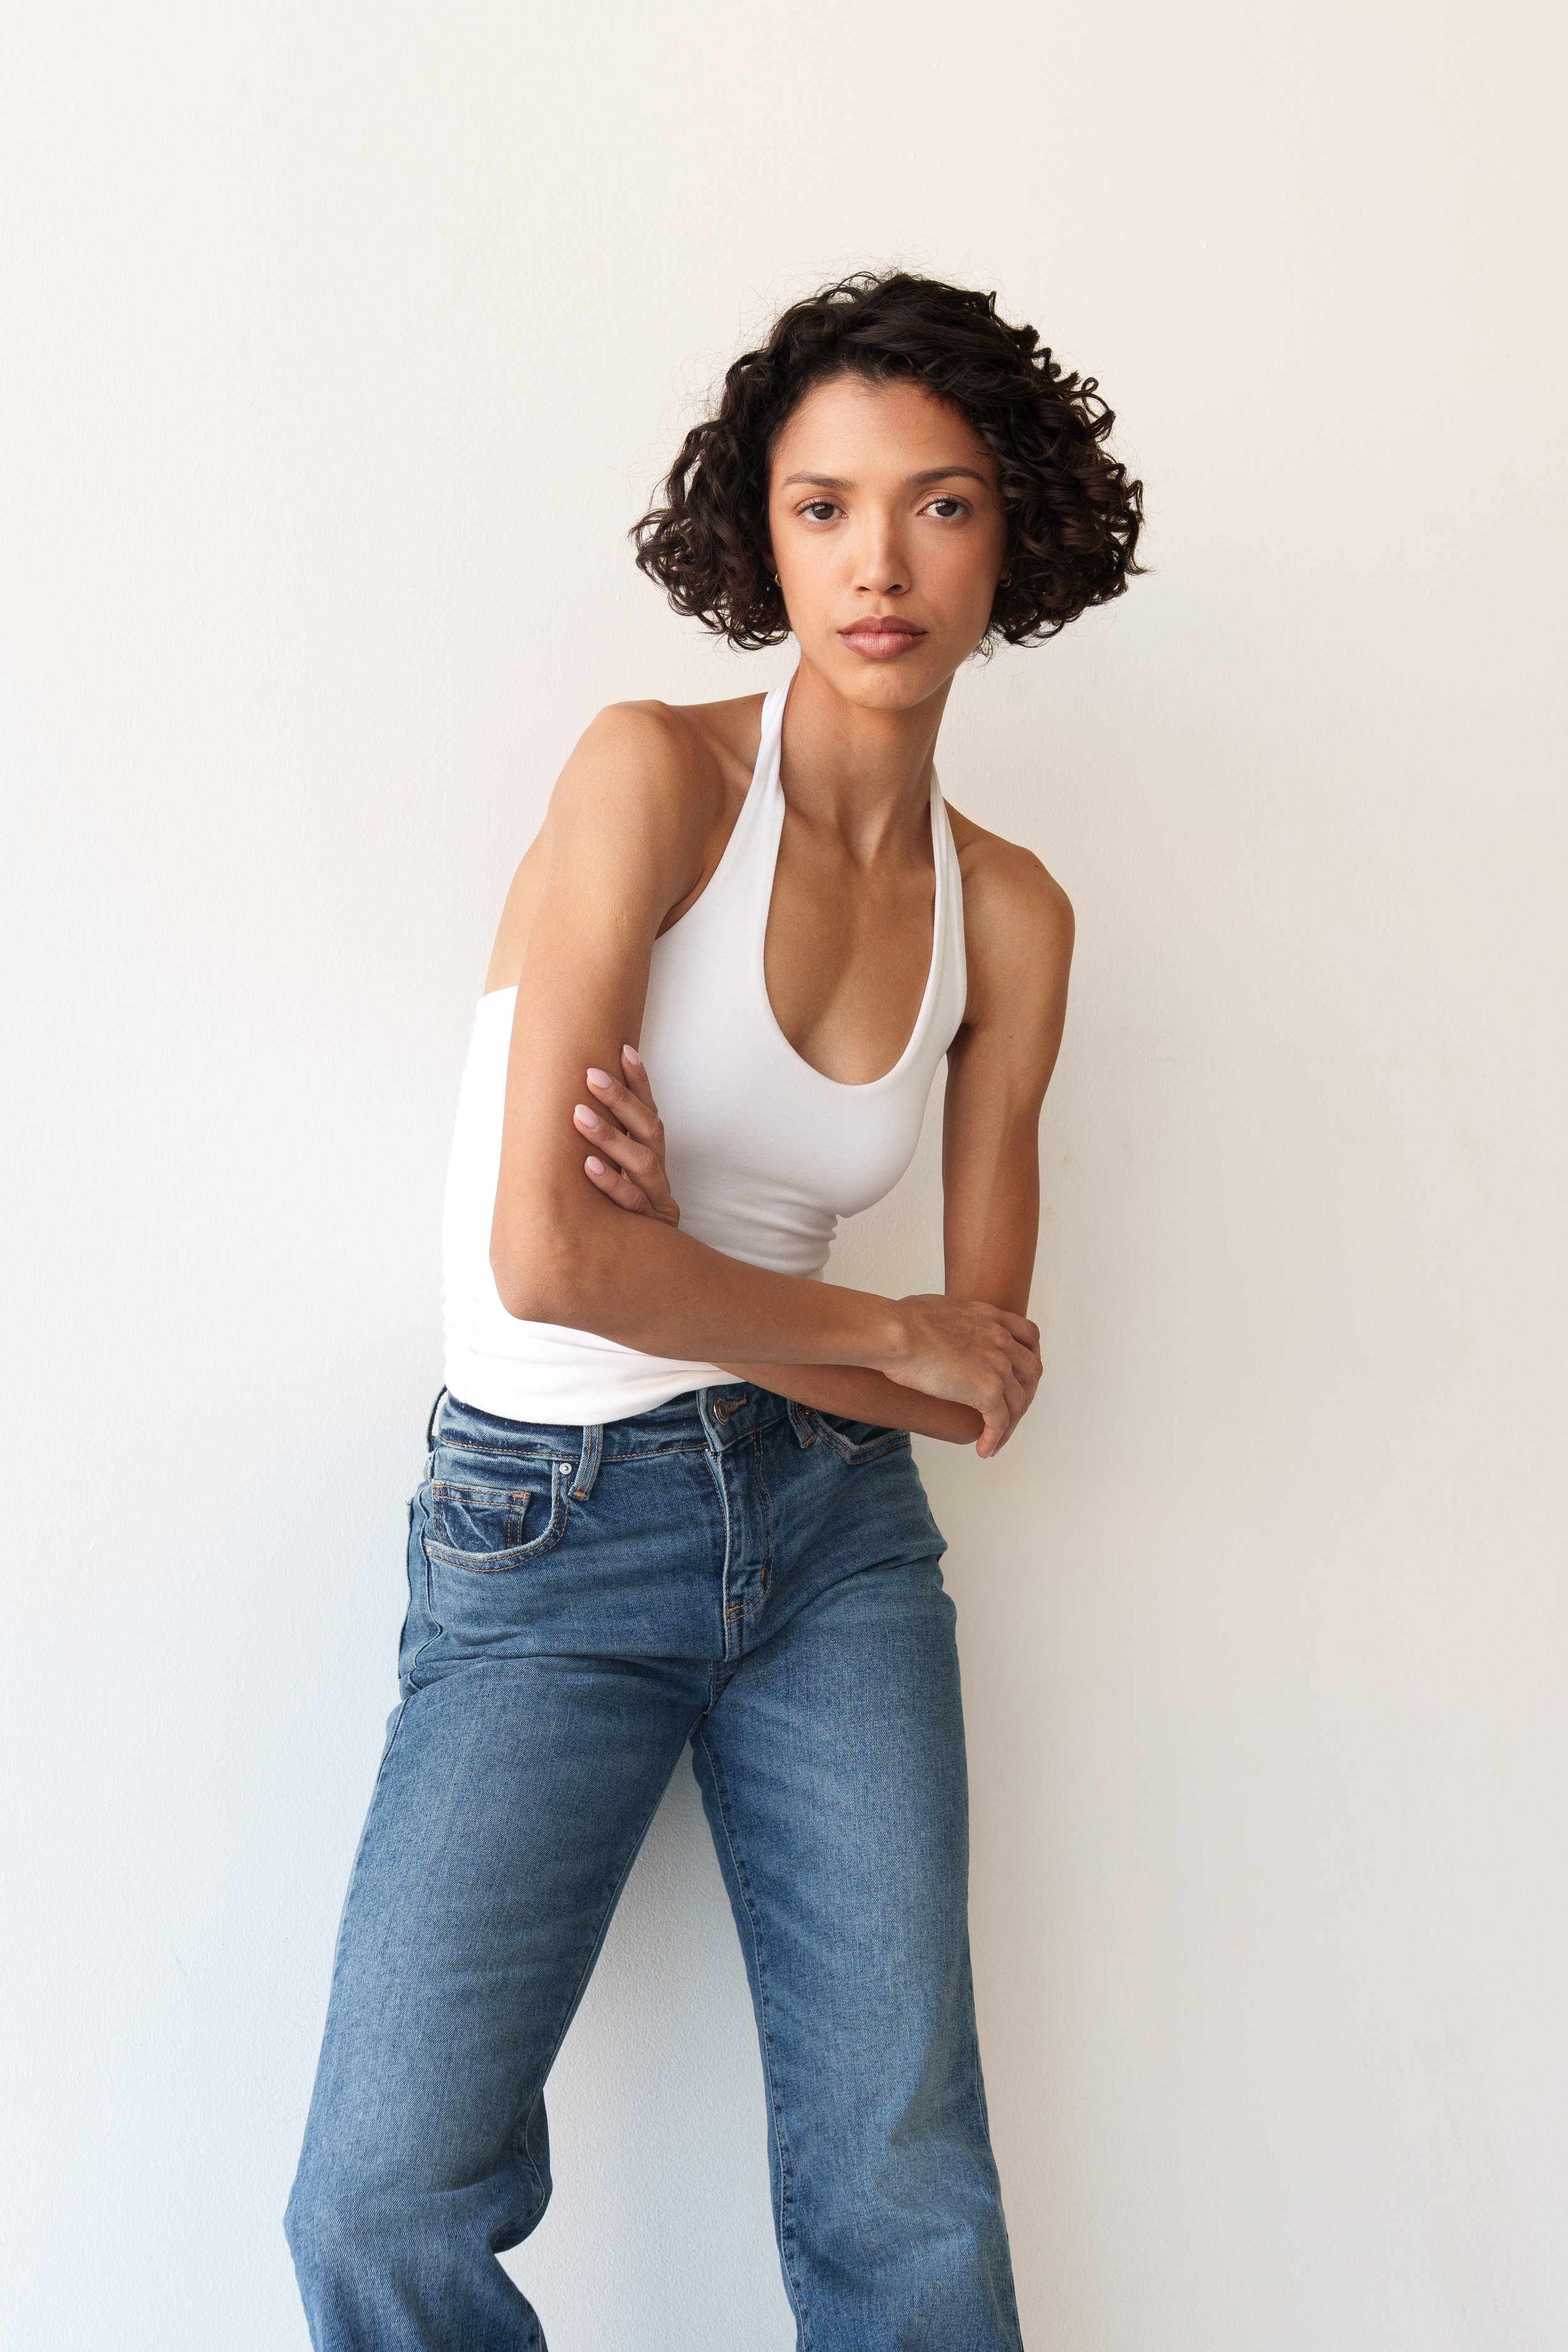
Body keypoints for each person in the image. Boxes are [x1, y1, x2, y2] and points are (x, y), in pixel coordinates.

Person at [285, 269, 1143, 2351]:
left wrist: (776, 1309)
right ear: (755, 533)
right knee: (382, 2197)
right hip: (546, 1529)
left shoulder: (1008, 911)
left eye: (937, 506)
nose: (877, 562)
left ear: (1010, 532)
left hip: (838, 1546)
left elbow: (973, 1389)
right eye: (822, 505)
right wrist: (845, 1321)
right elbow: (550, 1264)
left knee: (899, 2180)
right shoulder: (650, 779)